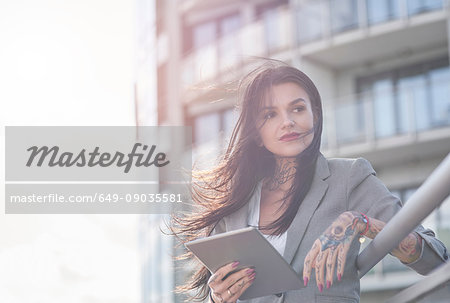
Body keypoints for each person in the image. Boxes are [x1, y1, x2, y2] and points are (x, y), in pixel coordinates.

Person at [172, 62, 448, 303]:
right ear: (256, 132)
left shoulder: (350, 176)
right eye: (270, 114)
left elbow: (436, 260)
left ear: (315, 114)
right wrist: (217, 296)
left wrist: (361, 223)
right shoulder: (234, 204)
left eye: (298, 108)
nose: (288, 122)